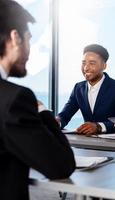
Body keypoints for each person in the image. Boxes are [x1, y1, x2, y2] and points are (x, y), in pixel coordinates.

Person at [0, 1, 75, 199]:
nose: (29, 49)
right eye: (28, 40)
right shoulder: (14, 99)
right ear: (15, 38)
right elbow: (61, 165)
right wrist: (42, 111)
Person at [57, 44, 115, 135]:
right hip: (87, 142)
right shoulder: (78, 88)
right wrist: (57, 122)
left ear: (104, 66)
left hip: (111, 144)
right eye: (84, 63)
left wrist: (98, 126)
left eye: (92, 63)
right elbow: (65, 115)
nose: (86, 68)